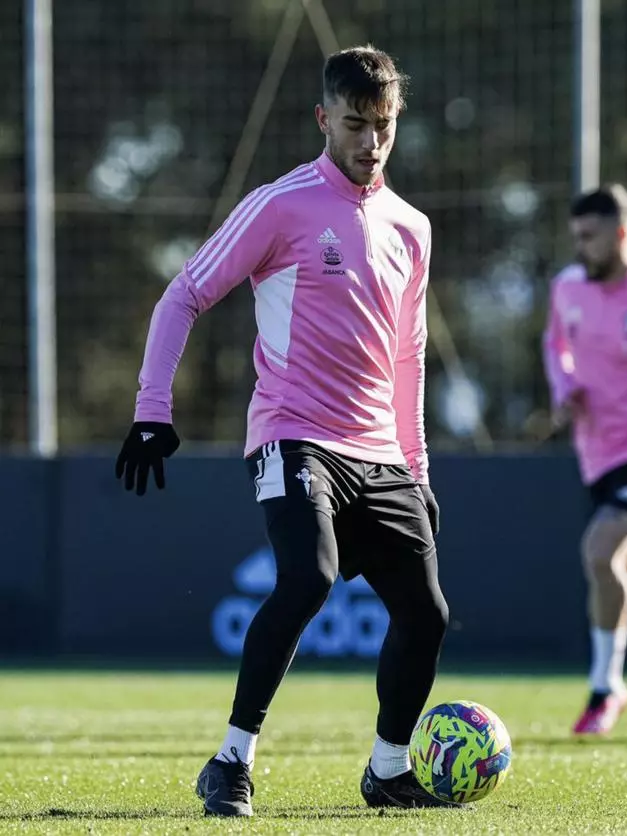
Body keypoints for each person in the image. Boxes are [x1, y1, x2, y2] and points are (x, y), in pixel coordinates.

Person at [116, 45, 452, 816]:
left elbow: (411, 356)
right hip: (293, 433)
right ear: (323, 118)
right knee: (308, 578)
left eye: (386, 126)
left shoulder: (412, 226)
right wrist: (150, 410)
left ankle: (389, 769)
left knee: (427, 613)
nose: (372, 143)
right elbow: (185, 294)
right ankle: (230, 762)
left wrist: (419, 468)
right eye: (357, 124)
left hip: (380, 452)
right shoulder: (281, 203)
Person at [543, 184, 627, 736]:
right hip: (599, 458)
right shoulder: (567, 287)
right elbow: (554, 345)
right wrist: (564, 386)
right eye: (576, 237)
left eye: (590, 237)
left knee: (599, 550)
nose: (581, 247)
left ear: (621, 234)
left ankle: (604, 687)